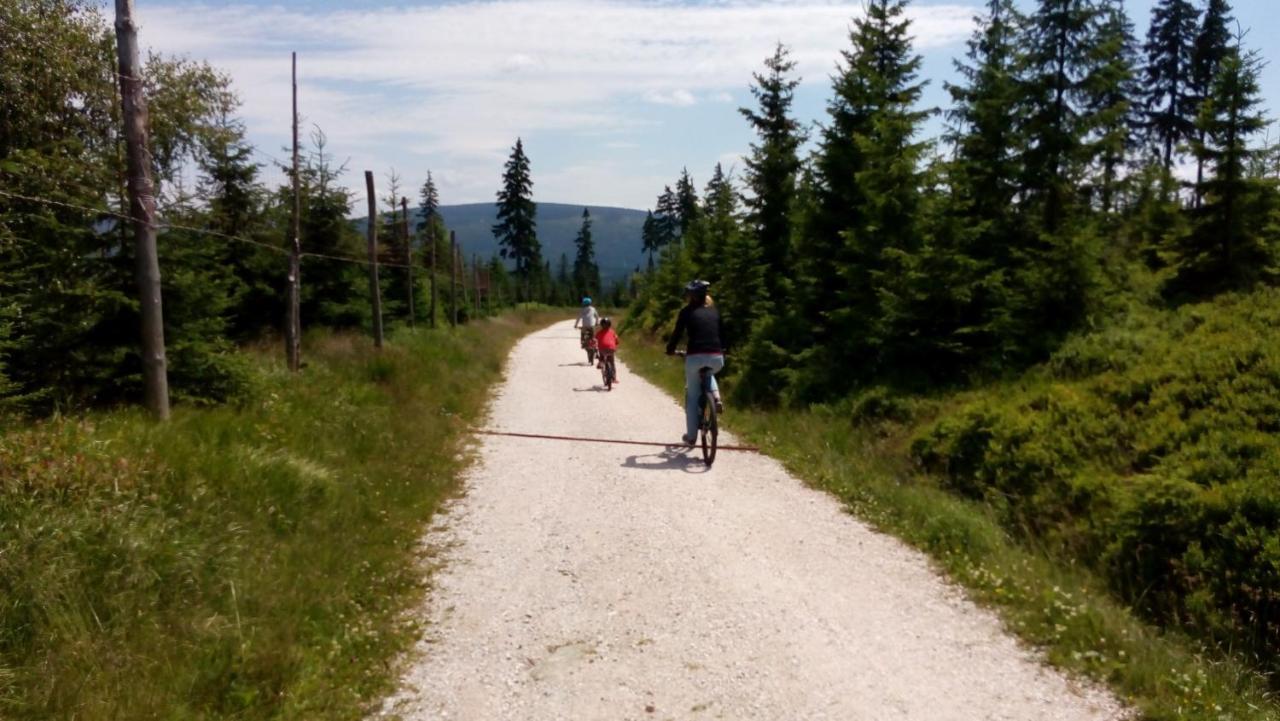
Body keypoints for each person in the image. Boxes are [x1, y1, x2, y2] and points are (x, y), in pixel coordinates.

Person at [665, 280, 725, 446]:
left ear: (691, 296)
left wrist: (670, 350)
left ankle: (691, 437)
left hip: (695, 356)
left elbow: (677, 333)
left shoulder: (686, 312)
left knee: (692, 396)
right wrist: (723, 350)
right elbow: (722, 333)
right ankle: (717, 397)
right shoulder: (715, 311)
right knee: (710, 372)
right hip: (717, 357)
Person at [595, 317, 620, 382]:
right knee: (612, 363)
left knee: (601, 354)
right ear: (609, 325)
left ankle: (601, 362)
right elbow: (617, 340)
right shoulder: (613, 332)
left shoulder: (599, 333)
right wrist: (616, 343)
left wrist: (593, 345)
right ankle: (614, 378)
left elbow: (594, 340)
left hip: (602, 348)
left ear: (601, 325)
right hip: (611, 348)